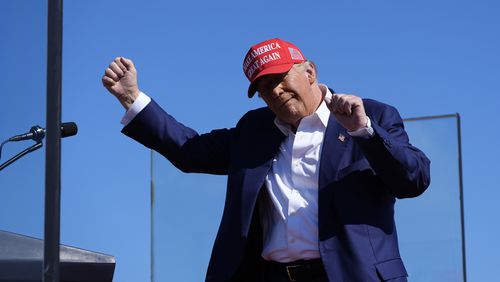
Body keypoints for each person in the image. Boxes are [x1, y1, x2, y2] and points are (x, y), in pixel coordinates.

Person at [102, 38, 430, 282]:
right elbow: (190, 150)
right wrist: (132, 97)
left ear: (310, 71)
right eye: (263, 88)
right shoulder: (254, 131)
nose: (274, 91)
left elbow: (413, 179)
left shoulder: (371, 115)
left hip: (351, 275)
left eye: (279, 78)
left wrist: (365, 132)